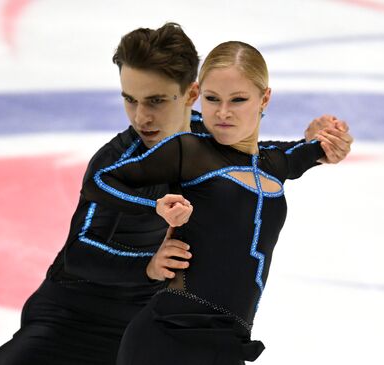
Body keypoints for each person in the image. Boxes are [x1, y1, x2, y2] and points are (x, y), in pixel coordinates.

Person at [0, 24, 352, 365]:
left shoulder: (209, 138)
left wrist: (316, 143)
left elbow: (256, 161)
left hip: (160, 323)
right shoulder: (119, 160)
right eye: (130, 100)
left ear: (190, 94)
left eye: (156, 101)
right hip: (72, 319)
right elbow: (79, 253)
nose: (140, 117)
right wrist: (147, 261)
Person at [82, 40, 343, 365]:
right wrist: (155, 209)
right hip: (166, 338)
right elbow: (100, 181)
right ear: (196, 95)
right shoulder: (188, 151)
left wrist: (329, 138)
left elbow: (316, 148)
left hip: (226, 346)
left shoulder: (274, 163)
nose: (222, 113)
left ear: (264, 98)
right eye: (212, 99)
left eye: (238, 100)